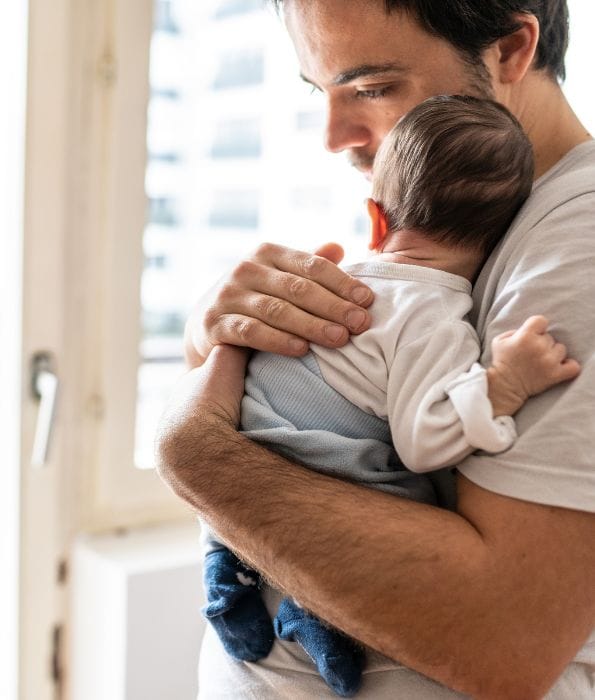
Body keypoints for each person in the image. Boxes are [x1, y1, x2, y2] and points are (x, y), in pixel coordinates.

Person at [155, 1, 595, 697]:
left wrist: (192, 453)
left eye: (371, 87)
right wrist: (211, 341)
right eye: (318, 91)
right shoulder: (452, 210)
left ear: (511, 50)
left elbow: (504, 634)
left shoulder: (575, 244)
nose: (333, 138)